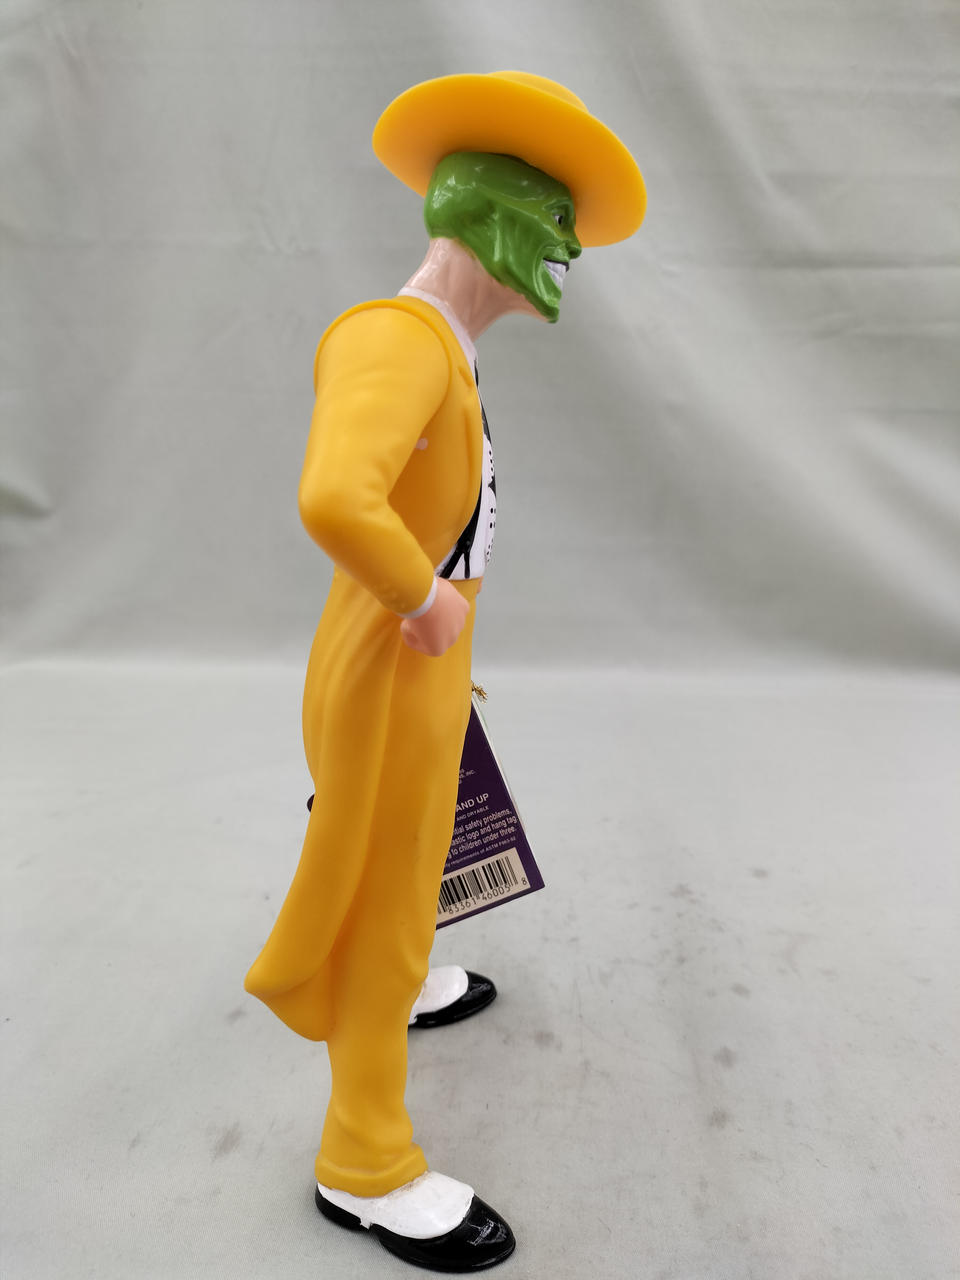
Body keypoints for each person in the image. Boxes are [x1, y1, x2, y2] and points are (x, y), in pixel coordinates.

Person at [244, 71, 646, 1272]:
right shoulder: (399, 338)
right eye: (557, 221)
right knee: (380, 903)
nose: (569, 251)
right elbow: (334, 496)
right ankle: (364, 1162)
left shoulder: (439, 347)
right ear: (501, 219)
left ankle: (404, 985)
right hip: (388, 678)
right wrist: (423, 605)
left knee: (407, 872)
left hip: (416, 675)